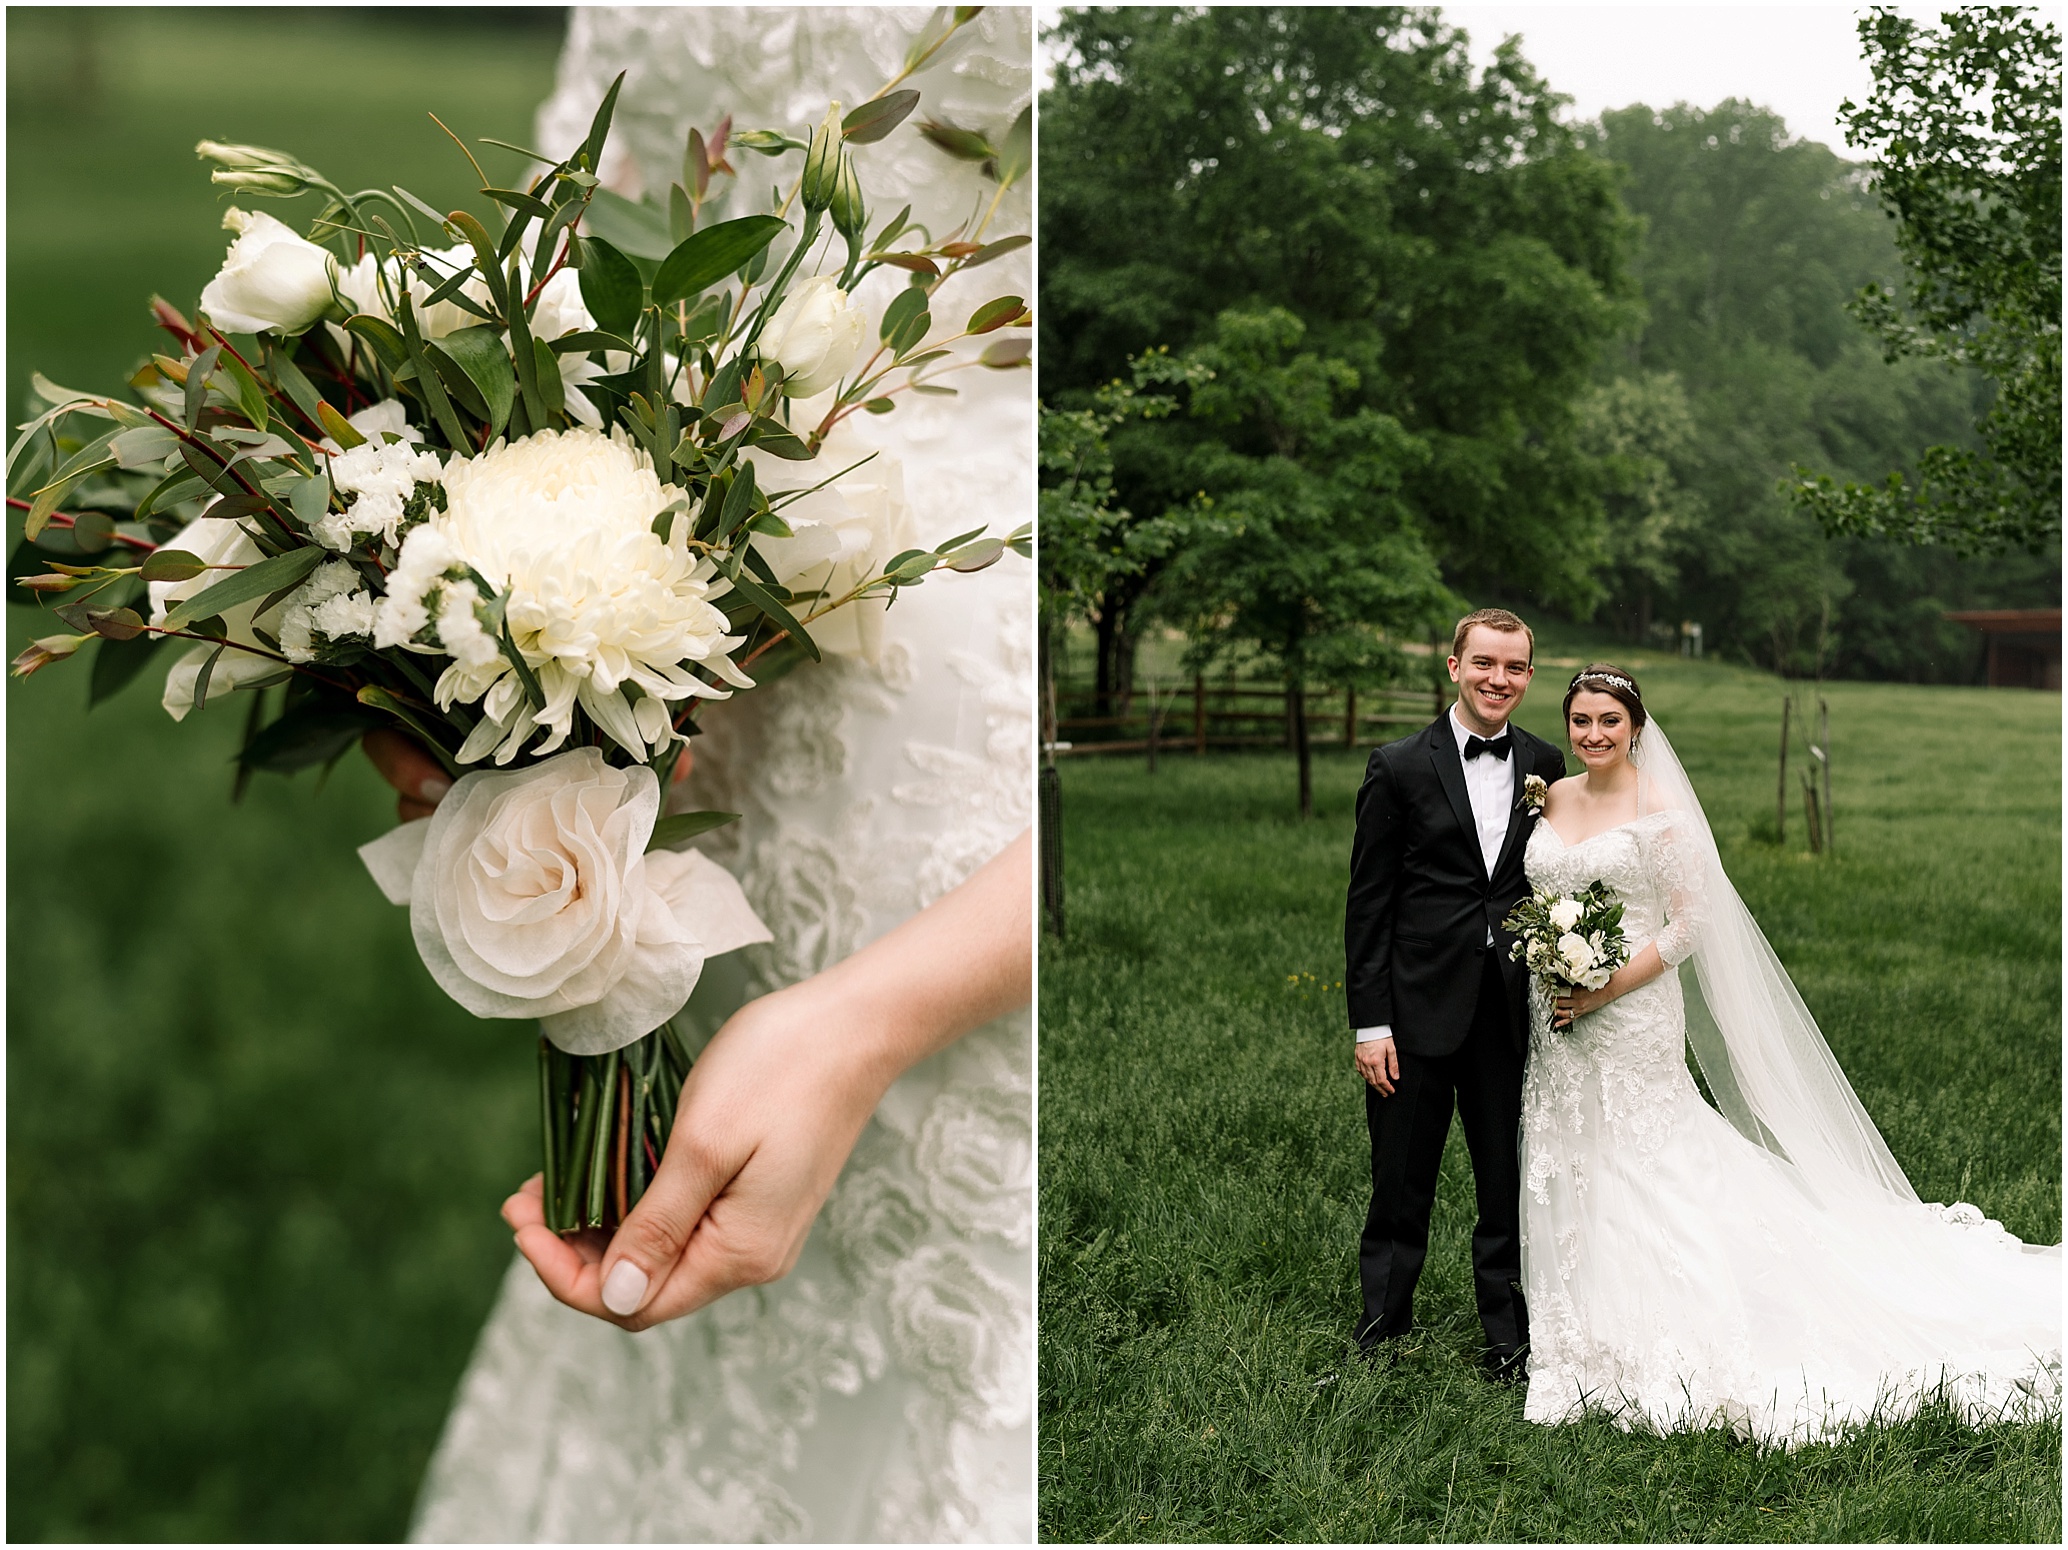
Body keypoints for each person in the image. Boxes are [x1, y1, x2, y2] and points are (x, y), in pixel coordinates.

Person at [369, 9, 1037, 1539]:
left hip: (980, 819)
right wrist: (431, 634)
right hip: (684, 691)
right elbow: (566, 275)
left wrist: (869, 1024)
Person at [1518, 663, 2059, 1442]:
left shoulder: (1661, 809)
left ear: (1637, 726)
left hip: (1629, 1015)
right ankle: (1579, 1340)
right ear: (1565, 725)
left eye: (1609, 720)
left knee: (1648, 1162)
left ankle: (1672, 1337)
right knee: (1573, 1154)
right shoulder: (1555, 794)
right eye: (1581, 720)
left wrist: (1601, 988)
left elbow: (1688, 925)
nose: (1594, 734)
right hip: (1557, 1024)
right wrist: (1555, 959)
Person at [1343, 607, 1566, 1380]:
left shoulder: (1546, 763)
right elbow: (1368, 905)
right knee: (1401, 1177)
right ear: (1453, 667)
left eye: (1513, 668)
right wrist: (1371, 1023)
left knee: (1505, 1180)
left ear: (1529, 676)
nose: (1498, 679)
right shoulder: (1399, 765)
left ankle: (1508, 1342)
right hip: (1412, 1012)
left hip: (1508, 1012)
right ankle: (1383, 1332)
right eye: (1484, 664)